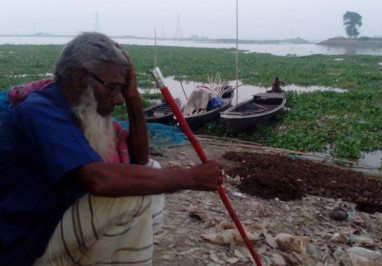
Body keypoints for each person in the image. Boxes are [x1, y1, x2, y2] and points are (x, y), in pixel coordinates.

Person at [0, 32, 224, 265]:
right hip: (26, 245)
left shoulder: (76, 109)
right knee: (133, 197)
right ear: (79, 77)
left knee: (150, 169)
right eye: (113, 87)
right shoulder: (39, 112)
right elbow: (99, 180)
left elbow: (140, 159)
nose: (118, 99)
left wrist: (133, 96)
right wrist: (191, 177)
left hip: (55, 217)